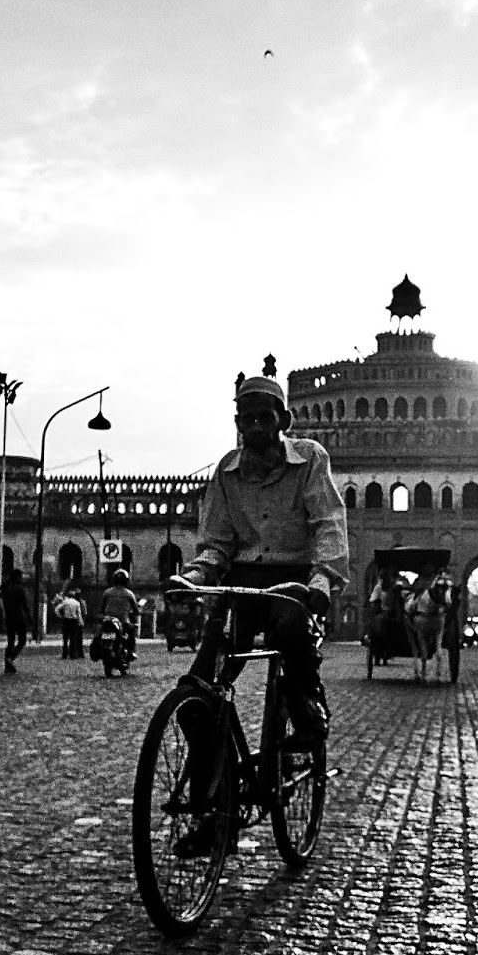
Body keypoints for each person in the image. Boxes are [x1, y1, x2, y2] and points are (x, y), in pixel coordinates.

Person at [171, 363, 348, 856]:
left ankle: (307, 712)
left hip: (293, 580)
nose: (254, 428)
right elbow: (216, 544)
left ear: (282, 420)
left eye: (263, 418)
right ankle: (216, 811)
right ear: (237, 423)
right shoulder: (227, 472)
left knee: (291, 631)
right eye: (245, 419)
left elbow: (328, 523)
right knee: (198, 694)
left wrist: (321, 580)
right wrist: (195, 578)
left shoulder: (309, 459)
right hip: (242, 584)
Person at [99, 568, 140, 660]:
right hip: (123, 621)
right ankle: (131, 651)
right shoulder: (129, 593)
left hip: (108, 620)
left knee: (100, 632)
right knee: (131, 632)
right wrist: (136, 612)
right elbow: (136, 609)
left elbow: (102, 608)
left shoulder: (107, 592)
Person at [1, 568, 32, 673]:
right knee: (22, 640)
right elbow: (24, 605)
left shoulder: (5, 588)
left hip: (8, 617)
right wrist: (29, 618)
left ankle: (7, 665)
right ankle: (11, 659)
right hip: (18, 617)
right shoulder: (19, 588)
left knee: (10, 641)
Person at [57, 585, 86, 659]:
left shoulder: (65, 602)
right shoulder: (76, 603)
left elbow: (57, 609)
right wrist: (81, 622)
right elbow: (79, 614)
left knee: (65, 638)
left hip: (66, 620)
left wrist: (60, 616)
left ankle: (64, 654)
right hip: (74, 621)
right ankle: (72, 655)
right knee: (73, 638)